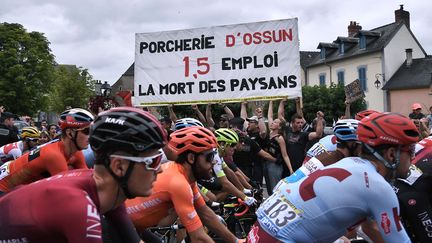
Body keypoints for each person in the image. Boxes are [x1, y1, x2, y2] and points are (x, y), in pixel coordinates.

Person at [0, 107, 167, 242]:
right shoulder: (76, 202)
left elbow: (132, 238)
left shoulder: (109, 191)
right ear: (119, 166)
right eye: (153, 161)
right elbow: (69, 201)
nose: (160, 169)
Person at [248, 112, 417, 242]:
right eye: (411, 151)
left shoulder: (348, 162)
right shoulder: (379, 187)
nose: (413, 157)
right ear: (392, 154)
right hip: (281, 236)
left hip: (264, 224)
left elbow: (367, 226)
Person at [126, 126, 239, 242]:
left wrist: (236, 241)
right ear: (191, 158)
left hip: (132, 226)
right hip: (118, 226)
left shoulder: (187, 178)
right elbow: (199, 237)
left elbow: (205, 213)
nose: (214, 161)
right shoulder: (179, 183)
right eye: (209, 157)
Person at [0, 108, 94, 194]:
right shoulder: (54, 155)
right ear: (70, 133)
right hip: (4, 187)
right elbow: (66, 194)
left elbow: (87, 179)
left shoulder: (76, 152)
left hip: (12, 176)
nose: (91, 137)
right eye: (87, 132)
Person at [264, 100, 292, 195]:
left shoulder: (280, 138)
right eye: (273, 122)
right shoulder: (271, 133)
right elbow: (269, 116)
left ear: (279, 127)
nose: (272, 123)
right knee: (269, 188)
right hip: (267, 163)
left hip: (275, 165)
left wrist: (291, 169)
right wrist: (271, 101)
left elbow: (285, 155)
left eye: (275, 122)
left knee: (275, 188)